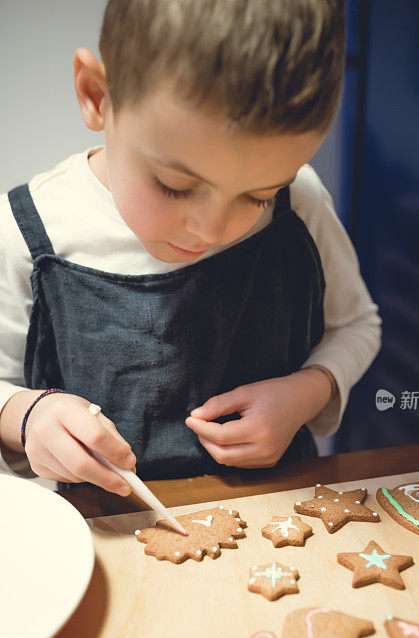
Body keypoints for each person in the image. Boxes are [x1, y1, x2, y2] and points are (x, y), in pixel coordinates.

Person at [0, 0, 381, 496]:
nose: (212, 230)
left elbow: (356, 325)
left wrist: (307, 393)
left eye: (257, 196)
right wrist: (29, 416)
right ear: (98, 96)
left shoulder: (300, 203)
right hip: (98, 538)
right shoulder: (31, 232)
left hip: (277, 515)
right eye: (175, 186)